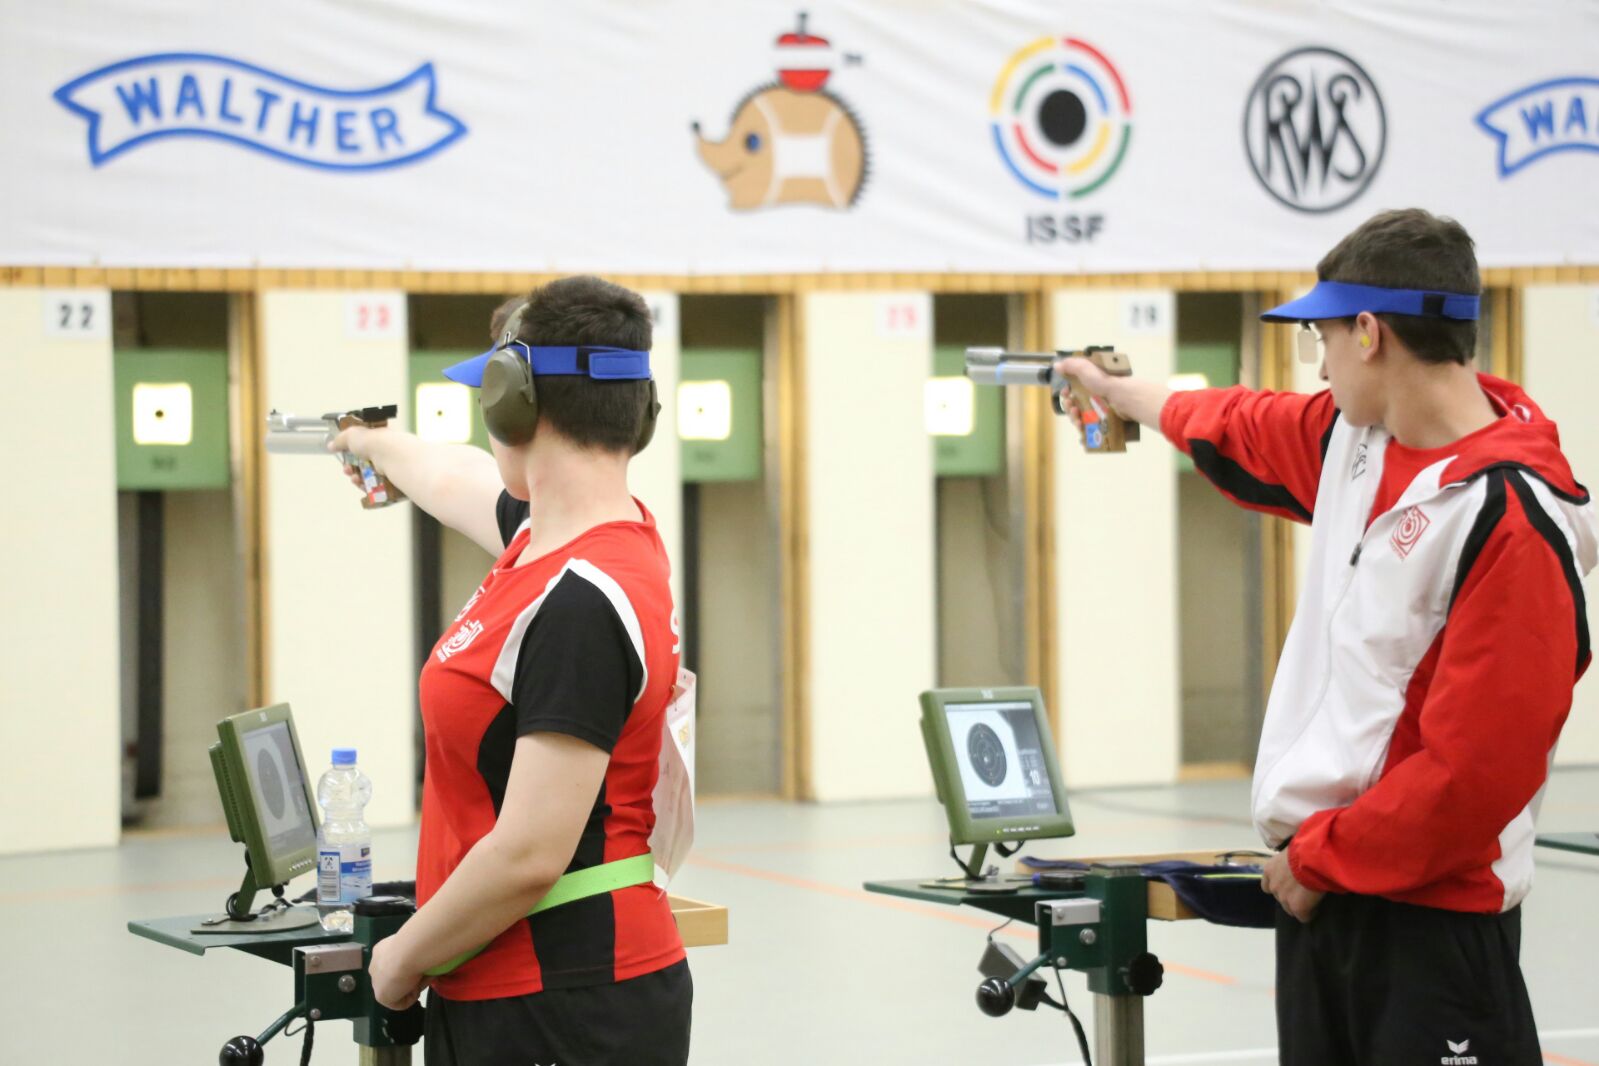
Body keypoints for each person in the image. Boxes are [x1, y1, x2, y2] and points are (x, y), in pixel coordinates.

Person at [1057, 208, 1595, 1064]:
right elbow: (1233, 421)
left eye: (1323, 338)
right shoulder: (1356, 441)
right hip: (1326, 896)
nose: (1318, 363)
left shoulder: (1509, 520)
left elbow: (1474, 776)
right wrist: (1115, 392)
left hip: (1428, 926)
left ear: (1369, 333)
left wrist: (1321, 859)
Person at [330, 276, 691, 1065]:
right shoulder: (564, 541)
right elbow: (450, 475)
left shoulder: (579, 600)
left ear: (511, 401)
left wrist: (397, 964)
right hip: (523, 981)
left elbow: (529, 853)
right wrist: (368, 443)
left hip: (560, 998)